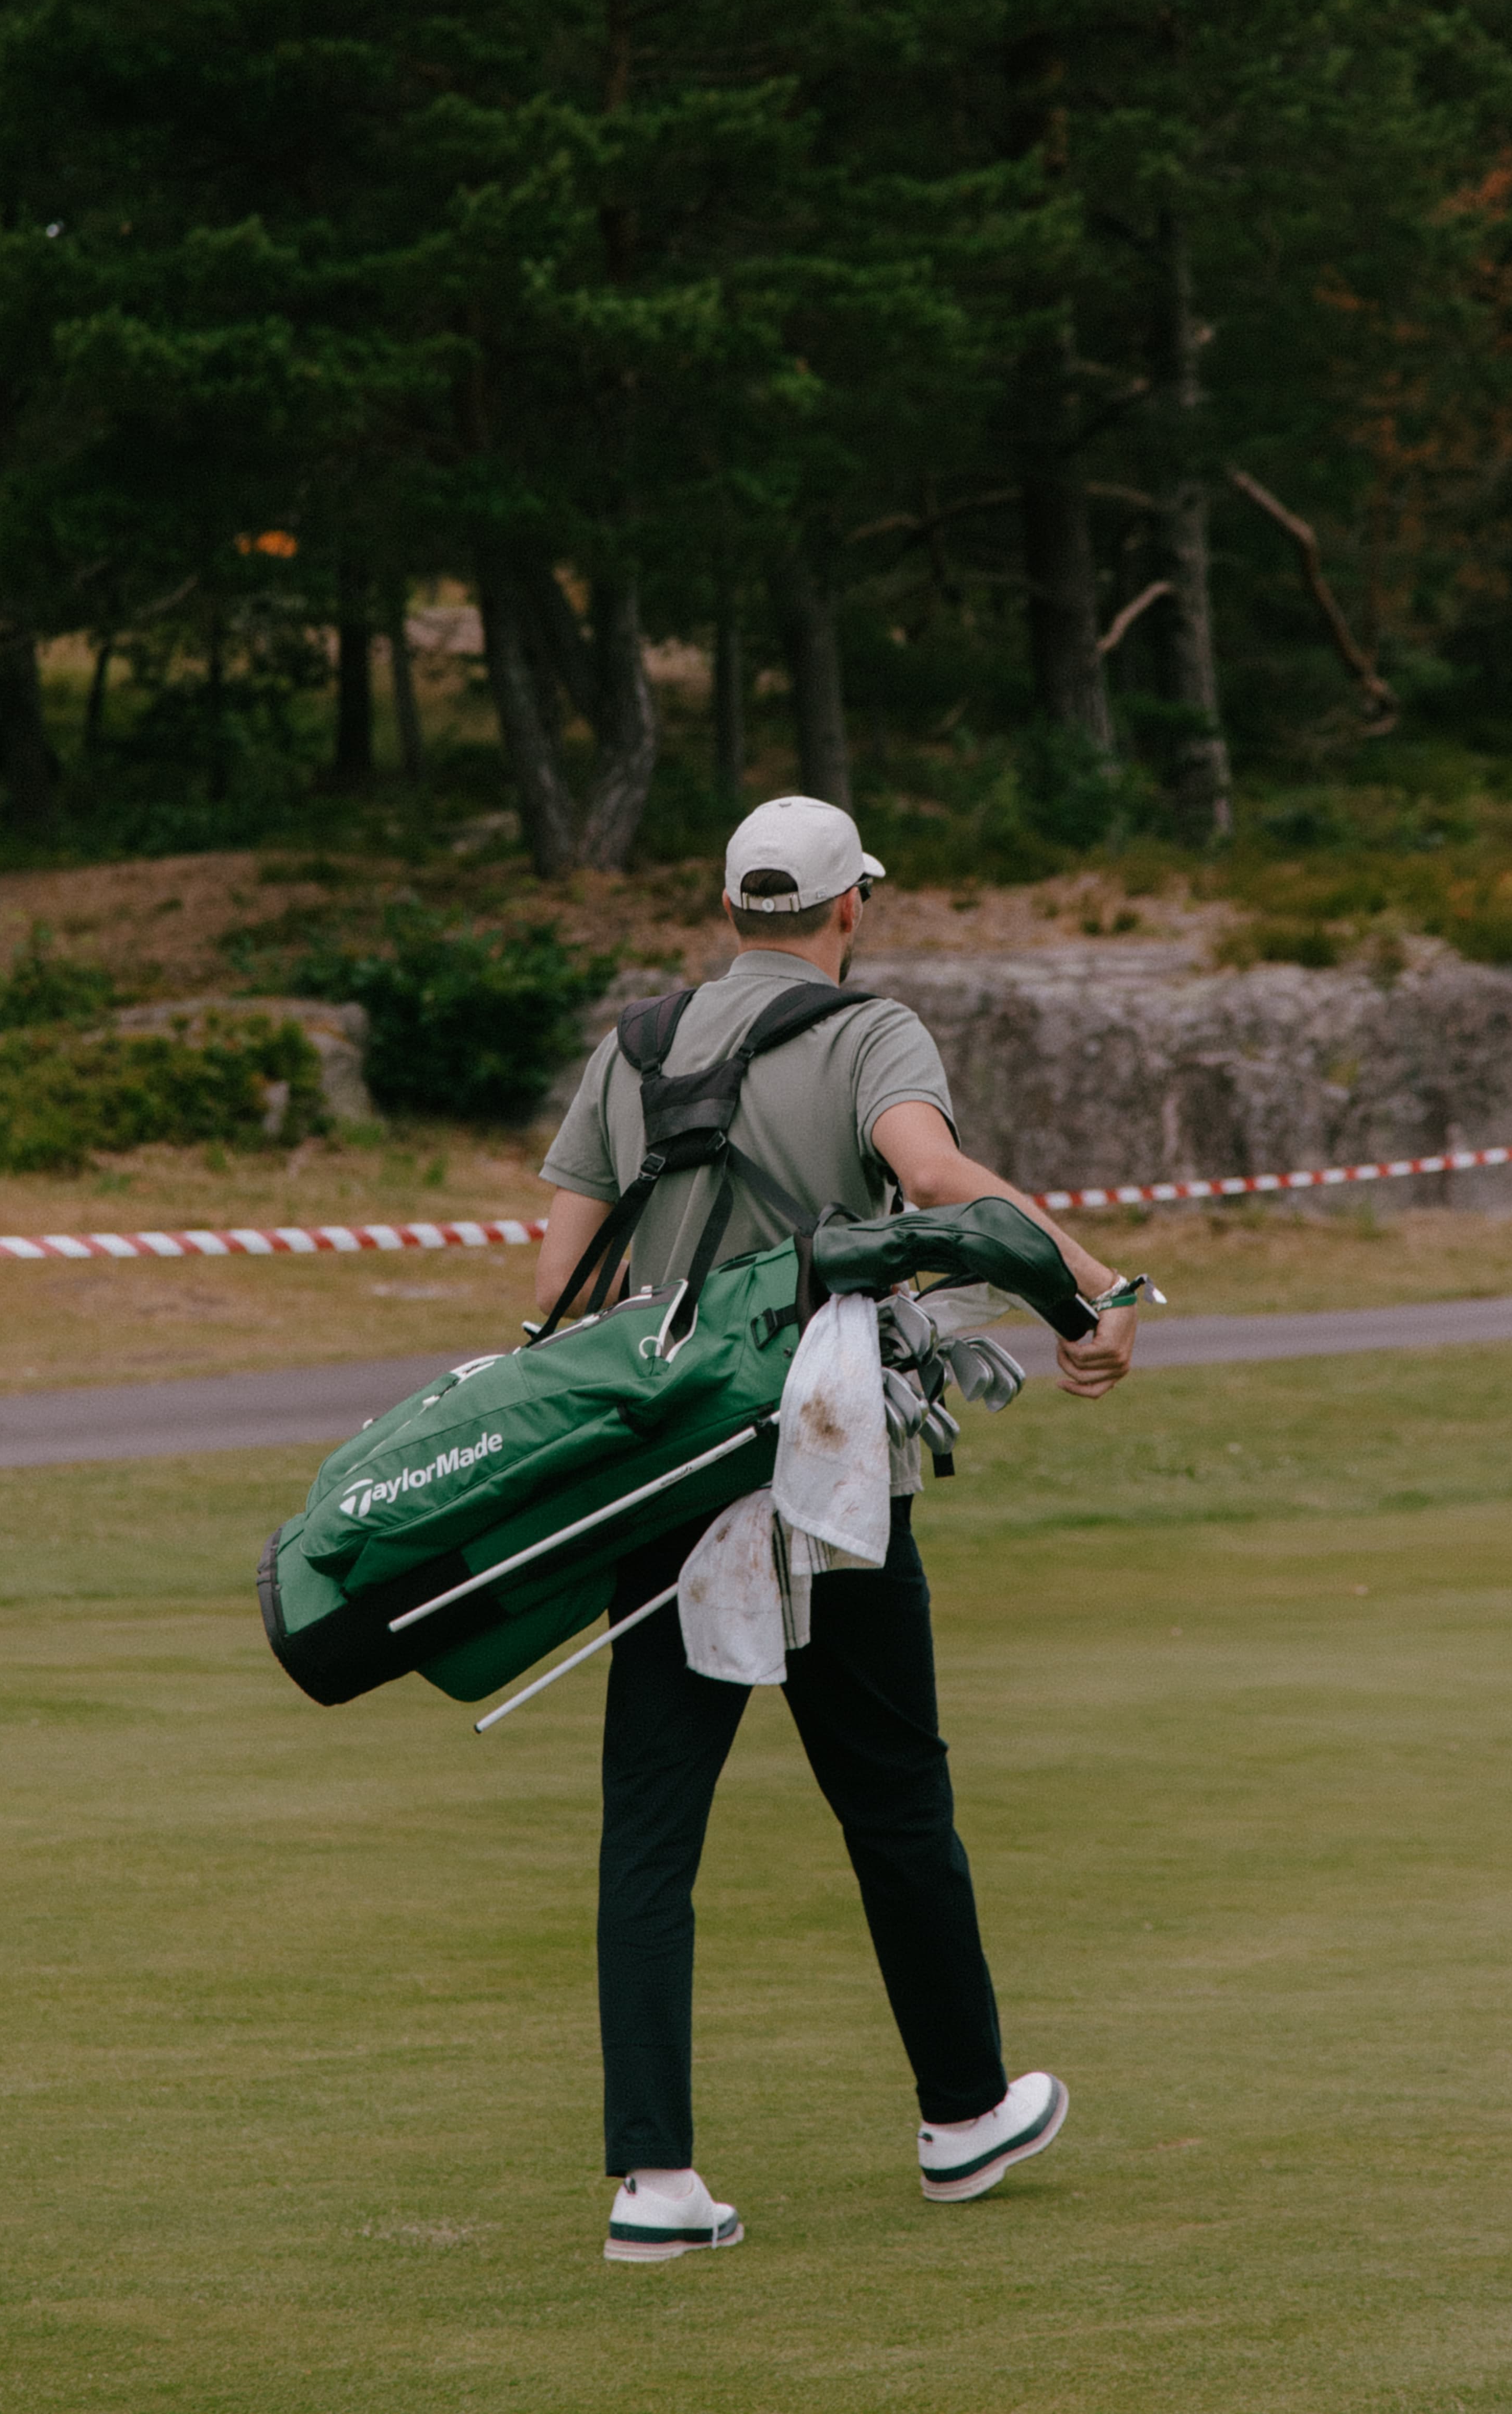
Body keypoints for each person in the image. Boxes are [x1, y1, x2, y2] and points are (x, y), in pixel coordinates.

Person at [534, 794, 1137, 2264]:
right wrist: (1095, 1286)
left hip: (666, 1477)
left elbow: (557, 1287)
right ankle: (963, 2114)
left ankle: (653, 2184)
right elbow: (933, 1179)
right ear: (849, 906)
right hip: (828, 1479)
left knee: (650, 1830)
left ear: (729, 906)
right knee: (896, 1803)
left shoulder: (634, 1045)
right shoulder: (872, 1033)